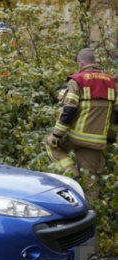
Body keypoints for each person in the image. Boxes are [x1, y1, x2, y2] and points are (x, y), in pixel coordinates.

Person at [44, 48, 118, 199]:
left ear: (80, 62)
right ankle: (90, 216)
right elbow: (116, 115)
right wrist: (110, 138)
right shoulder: (112, 83)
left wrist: (57, 135)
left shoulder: (78, 80)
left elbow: (69, 110)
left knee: (50, 144)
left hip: (74, 137)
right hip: (96, 141)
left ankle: (73, 175)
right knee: (90, 183)